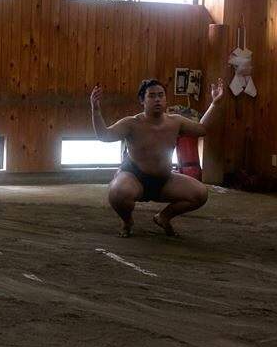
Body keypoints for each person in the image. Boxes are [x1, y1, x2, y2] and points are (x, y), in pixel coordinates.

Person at [91, 77, 225, 237]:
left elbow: (201, 129)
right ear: (142, 100)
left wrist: (215, 103)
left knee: (200, 194)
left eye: (161, 95)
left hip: (164, 179)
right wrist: (96, 111)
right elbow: (104, 135)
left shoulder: (175, 122)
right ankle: (127, 221)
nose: (157, 100)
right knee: (118, 193)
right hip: (134, 177)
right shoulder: (132, 123)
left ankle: (163, 217)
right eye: (152, 96)